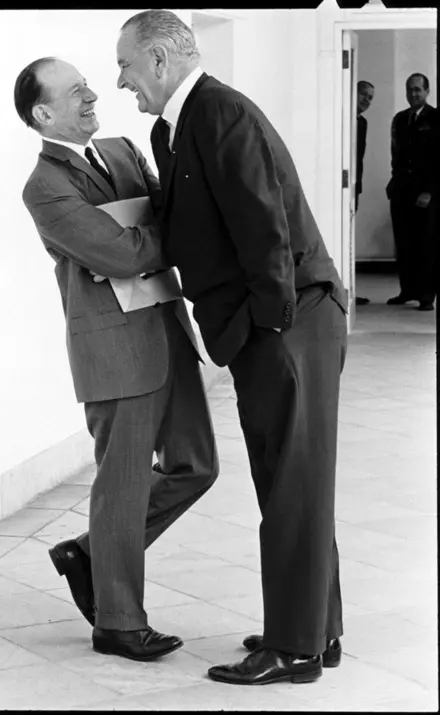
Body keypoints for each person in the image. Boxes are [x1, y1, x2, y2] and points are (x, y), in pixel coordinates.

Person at [116, 10, 348, 686]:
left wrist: (266, 332)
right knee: (288, 481)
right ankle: (316, 629)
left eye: (127, 64)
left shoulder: (219, 114)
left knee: (293, 485)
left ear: (159, 60)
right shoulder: (178, 126)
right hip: (275, 325)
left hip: (289, 322)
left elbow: (265, 230)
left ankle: (295, 649)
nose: (122, 79)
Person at [14, 57, 219, 662]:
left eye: (88, 86)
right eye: (76, 92)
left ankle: (87, 553)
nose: (92, 95)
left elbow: (157, 224)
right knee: (122, 489)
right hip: (114, 350)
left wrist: (143, 231)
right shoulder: (44, 186)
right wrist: (155, 231)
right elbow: (122, 256)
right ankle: (119, 623)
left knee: (196, 466)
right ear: (43, 113)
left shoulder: (125, 149)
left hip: (167, 330)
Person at [386, 73, 438, 311]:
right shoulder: (399, 119)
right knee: (404, 243)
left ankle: (426, 296)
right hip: (401, 192)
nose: (413, 94)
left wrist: (429, 191)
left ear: (427, 92)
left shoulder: (436, 118)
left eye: (418, 89)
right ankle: (408, 290)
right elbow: (396, 155)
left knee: (425, 244)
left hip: (425, 193)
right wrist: (393, 184)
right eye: (410, 89)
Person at [355, 80, 375, 307]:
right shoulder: (342, 116)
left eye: (370, 97)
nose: (366, 100)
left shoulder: (363, 122)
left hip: (353, 186)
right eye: (363, 95)